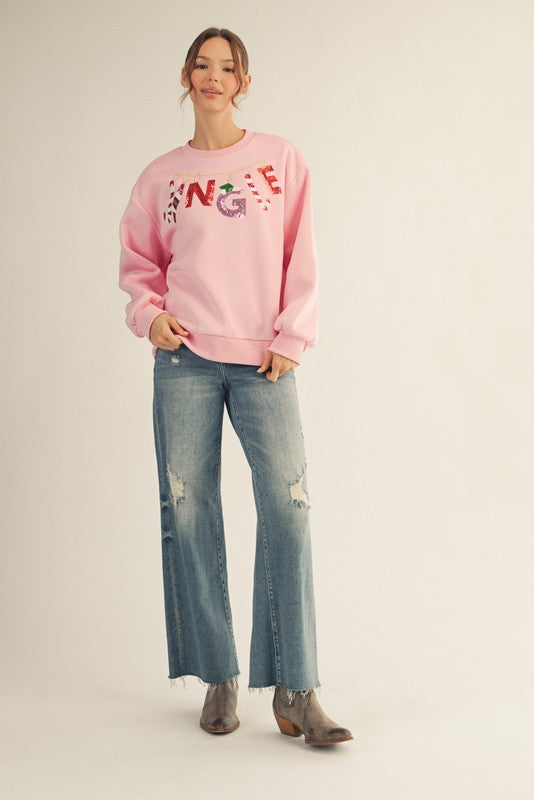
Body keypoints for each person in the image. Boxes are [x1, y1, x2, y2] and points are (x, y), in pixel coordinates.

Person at [118, 27, 353, 746]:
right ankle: (217, 674)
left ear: (244, 81)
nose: (213, 77)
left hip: (265, 361)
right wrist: (150, 315)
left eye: (228, 67)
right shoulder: (161, 177)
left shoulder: (279, 161)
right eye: (202, 65)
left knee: (288, 508)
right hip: (185, 360)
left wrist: (291, 336)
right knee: (188, 511)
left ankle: (296, 688)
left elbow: (301, 254)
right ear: (186, 76)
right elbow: (139, 266)